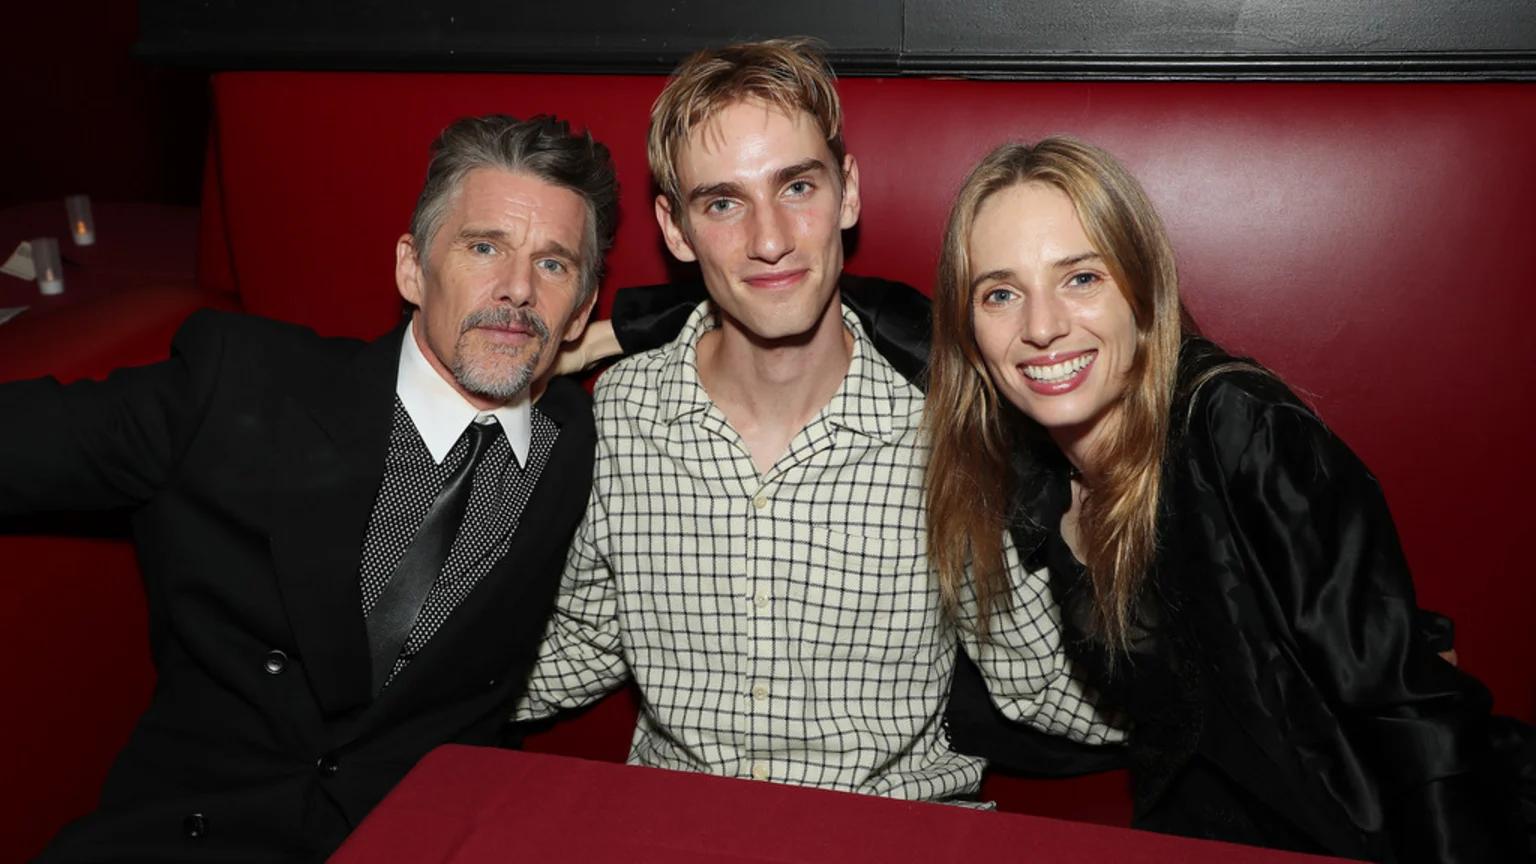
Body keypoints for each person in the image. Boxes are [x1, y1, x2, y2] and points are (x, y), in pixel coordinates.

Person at [515, 38, 1122, 803]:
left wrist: (1193, 633)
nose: (769, 240)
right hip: (676, 831)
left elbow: (1039, 683)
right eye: (724, 203)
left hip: (893, 832)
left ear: (849, 193)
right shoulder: (624, 413)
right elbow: (579, 645)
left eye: (797, 187)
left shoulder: (946, 432)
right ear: (675, 229)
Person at [0, 113, 615, 862]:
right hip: (190, 836)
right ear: (412, 270)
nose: (517, 289)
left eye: (553, 266)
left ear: (582, 309)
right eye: (483, 247)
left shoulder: (578, 443)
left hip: (411, 842)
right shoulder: (241, 387)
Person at [926, 136, 1527, 860]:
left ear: (1143, 293)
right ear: (971, 333)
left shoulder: (1238, 429)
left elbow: (1403, 710)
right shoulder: (1050, 489)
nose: (1042, 326)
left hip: (1383, 834)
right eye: (1001, 293)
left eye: (1081, 278)